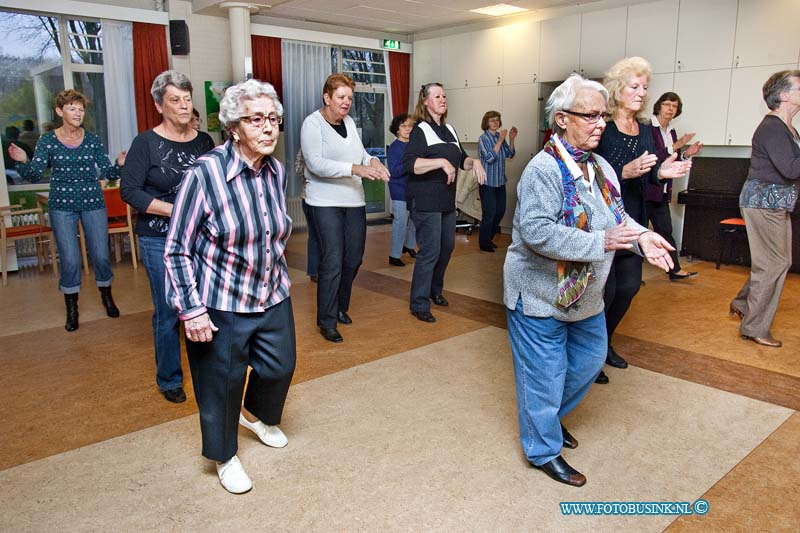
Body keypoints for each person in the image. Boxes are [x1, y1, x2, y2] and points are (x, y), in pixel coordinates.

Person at [504, 74, 675, 487]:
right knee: (543, 377)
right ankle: (543, 448)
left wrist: (643, 236)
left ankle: (546, 419)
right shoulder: (542, 169)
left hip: (585, 298)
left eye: (603, 114)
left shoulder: (599, 167)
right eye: (590, 115)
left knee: (588, 362)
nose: (601, 123)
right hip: (540, 295)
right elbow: (537, 232)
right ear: (562, 119)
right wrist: (602, 241)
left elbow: (618, 218)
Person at [165, 79, 295, 495]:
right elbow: (177, 249)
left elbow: (272, 231)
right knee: (221, 384)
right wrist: (191, 309)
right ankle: (225, 457)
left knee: (280, 367)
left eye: (273, 119)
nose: (268, 128)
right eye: (256, 119)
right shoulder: (205, 174)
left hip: (272, 291)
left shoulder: (275, 170)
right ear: (234, 127)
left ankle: (254, 414)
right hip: (221, 300)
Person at [594, 57, 692, 382]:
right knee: (602, 294)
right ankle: (590, 356)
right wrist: (622, 172)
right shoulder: (602, 129)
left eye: (645, 87)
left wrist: (661, 172)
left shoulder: (647, 130)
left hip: (635, 222)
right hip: (605, 224)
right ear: (617, 89)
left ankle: (604, 342)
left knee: (629, 288)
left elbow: (649, 172)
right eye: (635, 87)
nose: (641, 93)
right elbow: (591, 180)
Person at [121, 71, 214, 403]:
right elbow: (129, 191)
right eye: (176, 100)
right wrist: (175, 210)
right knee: (169, 311)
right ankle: (170, 378)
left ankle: (208, 371)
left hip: (199, 239)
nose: (184, 105)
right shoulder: (145, 143)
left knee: (203, 306)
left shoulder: (204, 141)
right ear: (160, 105)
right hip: (159, 239)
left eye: (188, 98)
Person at [8, 89, 125, 331]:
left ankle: (106, 296)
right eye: (72, 108)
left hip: (93, 202)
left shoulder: (92, 139)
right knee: (70, 260)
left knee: (101, 256)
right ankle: (72, 309)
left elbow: (107, 173)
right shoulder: (48, 140)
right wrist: (22, 161)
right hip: (62, 205)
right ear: (60, 111)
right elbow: (34, 174)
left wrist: (119, 165)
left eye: (81, 109)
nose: (78, 113)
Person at [300, 73, 390, 343]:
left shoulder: (350, 122)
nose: (346, 102)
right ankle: (326, 320)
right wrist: (354, 168)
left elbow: (361, 154)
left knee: (353, 259)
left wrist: (373, 161)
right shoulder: (312, 124)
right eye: (341, 97)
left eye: (350, 97)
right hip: (323, 202)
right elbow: (315, 164)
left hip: (353, 201)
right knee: (332, 260)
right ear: (327, 97)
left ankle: (340, 306)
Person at [402, 83, 486, 323]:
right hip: (425, 200)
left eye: (444, 96)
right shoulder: (420, 130)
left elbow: (461, 160)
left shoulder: (449, 129)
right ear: (426, 101)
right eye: (437, 96)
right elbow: (410, 164)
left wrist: (475, 162)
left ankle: (434, 290)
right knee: (430, 251)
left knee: (446, 248)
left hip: (446, 202)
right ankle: (419, 303)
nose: (442, 99)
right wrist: (439, 162)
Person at [730, 70, 800, 348]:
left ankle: (741, 303)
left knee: (776, 263)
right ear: (783, 95)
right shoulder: (772, 127)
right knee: (772, 265)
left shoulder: (788, 128)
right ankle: (754, 326)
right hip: (763, 203)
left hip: (774, 203)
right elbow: (790, 168)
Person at [648, 92, 703, 280]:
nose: (671, 109)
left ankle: (674, 270)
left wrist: (687, 153)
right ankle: (629, 275)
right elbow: (653, 156)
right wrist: (675, 146)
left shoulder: (671, 132)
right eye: (667, 104)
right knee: (635, 234)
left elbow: (672, 160)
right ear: (658, 106)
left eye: (674, 106)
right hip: (644, 190)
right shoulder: (647, 127)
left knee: (666, 232)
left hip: (661, 192)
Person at [477, 110, 516, 252]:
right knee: (489, 213)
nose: (496, 123)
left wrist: (511, 139)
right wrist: (500, 141)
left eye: (497, 120)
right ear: (486, 123)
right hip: (487, 182)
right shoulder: (483, 139)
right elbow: (489, 158)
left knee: (500, 211)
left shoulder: (500, 137)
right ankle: (484, 242)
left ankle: (489, 238)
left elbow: (510, 154)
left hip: (499, 182)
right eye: (492, 120)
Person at [387, 113, 417, 267]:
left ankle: (409, 246)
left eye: (410, 125)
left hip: (414, 188)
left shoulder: (414, 145)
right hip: (399, 189)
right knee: (400, 222)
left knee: (414, 220)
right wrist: (409, 163)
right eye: (404, 126)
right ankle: (394, 255)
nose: (408, 129)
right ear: (397, 130)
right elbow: (394, 171)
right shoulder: (394, 148)